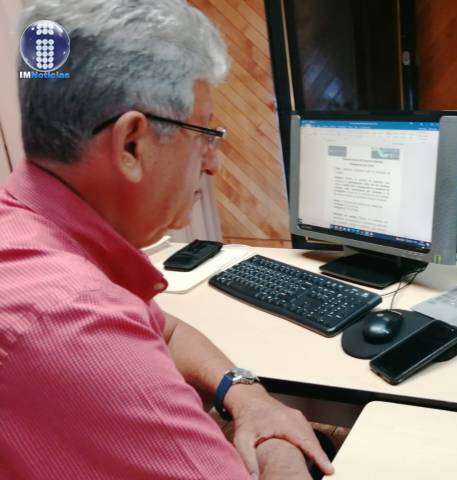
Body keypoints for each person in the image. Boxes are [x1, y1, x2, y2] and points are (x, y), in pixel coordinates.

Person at [0, 1, 333, 479]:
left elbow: (167, 330)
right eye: (205, 133)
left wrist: (250, 398)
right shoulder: (73, 322)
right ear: (131, 144)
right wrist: (281, 444)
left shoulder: (23, 228)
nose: (213, 163)